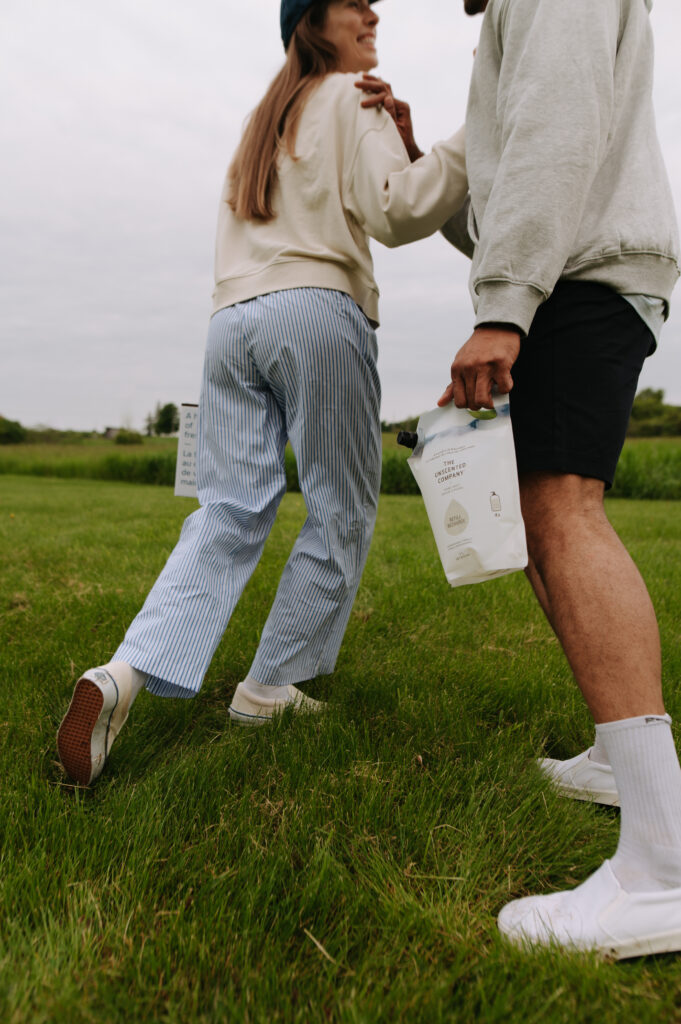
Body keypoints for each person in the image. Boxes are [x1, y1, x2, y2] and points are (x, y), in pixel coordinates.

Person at [57, 0, 468, 786]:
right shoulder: (353, 96)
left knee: (228, 510)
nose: (373, 11)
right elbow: (398, 211)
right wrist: (471, 137)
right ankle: (267, 686)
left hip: (231, 323)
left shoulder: (262, 120)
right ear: (314, 20)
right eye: (355, 1)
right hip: (315, 310)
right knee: (340, 505)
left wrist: (405, 142)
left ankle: (121, 674)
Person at [439, 0, 681, 957]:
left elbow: (557, 126)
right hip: (577, 272)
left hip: (581, 278)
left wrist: (502, 307)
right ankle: (622, 764)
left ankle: (663, 865)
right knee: (545, 524)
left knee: (563, 512)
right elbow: (513, 177)